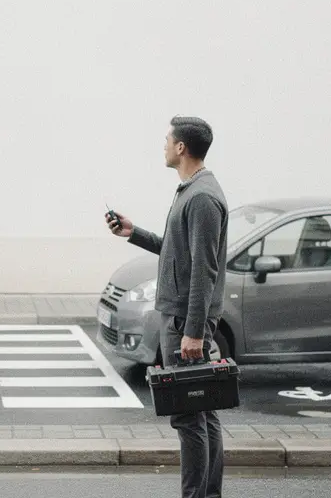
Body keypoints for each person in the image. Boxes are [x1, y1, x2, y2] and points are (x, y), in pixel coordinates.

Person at [105, 116, 229, 498]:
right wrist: (134, 233)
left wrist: (193, 332)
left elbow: (204, 269)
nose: (163, 145)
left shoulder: (202, 197)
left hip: (183, 322)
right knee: (203, 413)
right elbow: (178, 252)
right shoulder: (191, 191)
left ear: (181, 147)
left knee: (189, 418)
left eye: (167, 139)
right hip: (182, 319)